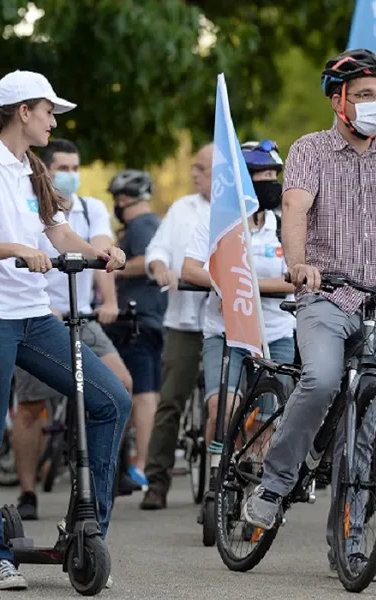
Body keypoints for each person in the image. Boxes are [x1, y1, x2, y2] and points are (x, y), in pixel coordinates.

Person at [242, 49, 376, 582]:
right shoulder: (310, 150)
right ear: (338, 100)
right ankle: (275, 485)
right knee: (321, 380)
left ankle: (349, 544)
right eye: (364, 95)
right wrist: (299, 265)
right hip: (327, 296)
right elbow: (295, 211)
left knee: (367, 426)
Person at [0, 70, 130, 590]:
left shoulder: (32, 168)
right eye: (49, 111)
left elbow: (57, 230)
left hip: (32, 317)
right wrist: (16, 250)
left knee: (109, 400)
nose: (55, 120)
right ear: (22, 111)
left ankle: (87, 533)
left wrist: (99, 252)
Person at [10, 138, 133, 521]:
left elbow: (98, 247)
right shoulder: (31, 198)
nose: (71, 176)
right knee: (31, 407)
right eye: (63, 168)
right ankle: (28, 490)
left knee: (120, 387)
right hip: (41, 314)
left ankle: (97, 490)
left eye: (76, 168)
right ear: (46, 170)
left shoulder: (91, 207)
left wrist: (108, 278)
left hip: (84, 317)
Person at [182, 140, 296, 462]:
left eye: (275, 173)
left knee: (265, 420)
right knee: (223, 408)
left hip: (274, 334)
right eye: (262, 174)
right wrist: (234, 284)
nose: (270, 180)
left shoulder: (283, 227)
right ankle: (218, 473)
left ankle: (251, 481)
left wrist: (244, 285)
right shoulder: (216, 222)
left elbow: (295, 280)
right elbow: (190, 270)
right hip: (226, 332)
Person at [139, 144, 213, 510]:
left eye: (201, 167)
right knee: (170, 401)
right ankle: (156, 481)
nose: (194, 173)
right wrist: (159, 269)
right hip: (184, 321)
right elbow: (157, 251)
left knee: (228, 402)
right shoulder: (182, 209)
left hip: (227, 323)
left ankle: (226, 479)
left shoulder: (242, 208)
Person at [104, 169, 165, 491]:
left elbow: (148, 262)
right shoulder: (149, 224)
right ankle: (141, 464)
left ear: (124, 199)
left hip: (137, 320)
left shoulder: (142, 226)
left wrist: (114, 269)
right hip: (149, 318)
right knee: (147, 391)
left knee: (142, 394)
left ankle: (140, 467)